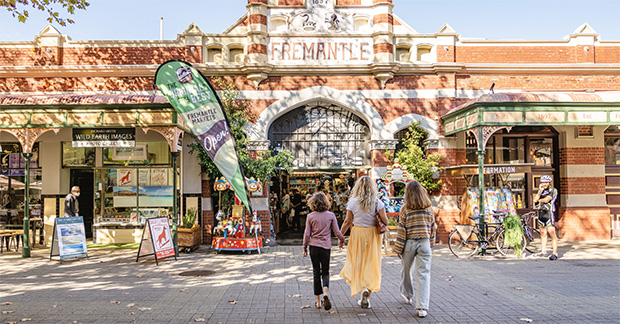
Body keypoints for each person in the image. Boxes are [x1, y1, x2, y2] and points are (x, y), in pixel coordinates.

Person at [339, 176, 388, 309]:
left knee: (357, 262)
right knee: (371, 263)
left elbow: (347, 222)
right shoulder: (378, 203)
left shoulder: (353, 202)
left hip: (357, 234)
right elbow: (386, 222)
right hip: (372, 234)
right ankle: (367, 291)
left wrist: (340, 236)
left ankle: (361, 287)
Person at [393, 181, 436, 318]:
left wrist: (398, 249)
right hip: (424, 243)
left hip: (409, 243)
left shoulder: (405, 209)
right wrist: (432, 243)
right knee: (423, 274)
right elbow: (432, 228)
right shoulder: (428, 209)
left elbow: (402, 230)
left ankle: (408, 295)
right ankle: (422, 307)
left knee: (406, 270)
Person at [303, 192, 345, 310]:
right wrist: (342, 240)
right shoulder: (331, 215)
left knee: (316, 272)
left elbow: (307, 234)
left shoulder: (310, 216)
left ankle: (318, 302)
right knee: (325, 272)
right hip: (326, 247)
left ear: (313, 203)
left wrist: (304, 247)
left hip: (314, 247)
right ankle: (325, 294)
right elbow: (337, 232)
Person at [533, 175, 559, 260]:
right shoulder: (541, 191)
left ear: (549, 183)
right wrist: (540, 191)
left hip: (549, 213)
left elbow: (546, 200)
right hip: (541, 213)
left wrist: (539, 200)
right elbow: (534, 200)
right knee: (542, 233)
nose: (544, 184)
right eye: (542, 182)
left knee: (552, 233)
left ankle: (555, 253)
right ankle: (543, 251)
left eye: (545, 182)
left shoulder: (553, 190)